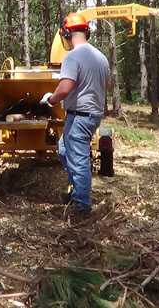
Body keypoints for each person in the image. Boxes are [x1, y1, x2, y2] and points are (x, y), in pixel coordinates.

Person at [40, 13, 110, 216]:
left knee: (78, 160)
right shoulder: (101, 57)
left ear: (66, 34)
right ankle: (75, 190)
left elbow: (65, 87)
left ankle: (81, 206)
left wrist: (51, 99)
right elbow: (107, 84)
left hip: (80, 116)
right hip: (91, 115)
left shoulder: (72, 56)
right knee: (63, 150)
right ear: (86, 32)